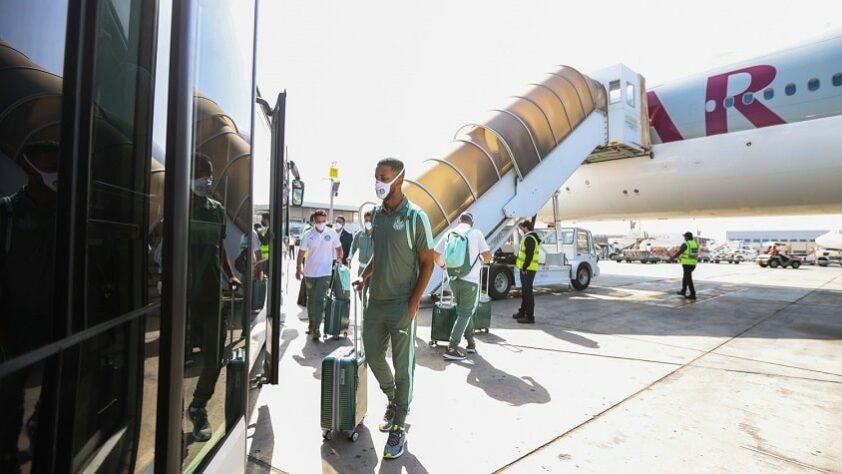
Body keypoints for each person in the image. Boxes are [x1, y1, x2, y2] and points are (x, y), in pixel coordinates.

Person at [352, 158, 435, 460]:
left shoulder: (416, 217)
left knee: (404, 367)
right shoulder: (376, 214)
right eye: (376, 177)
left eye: (383, 177)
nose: (378, 182)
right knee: (372, 356)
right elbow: (380, 253)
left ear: (400, 179)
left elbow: (427, 263)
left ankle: (399, 424)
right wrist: (364, 276)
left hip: (402, 304)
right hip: (376, 302)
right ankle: (392, 400)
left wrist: (413, 305)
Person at [0, 142, 58, 471]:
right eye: (48, 166)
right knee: (10, 394)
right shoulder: (7, 212)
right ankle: (7, 451)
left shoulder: (70, 212)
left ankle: (40, 429)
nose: (56, 174)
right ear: (27, 168)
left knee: (57, 386)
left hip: (56, 320)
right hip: (14, 323)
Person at [185, 155, 241, 442]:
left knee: (214, 358)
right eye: (200, 174)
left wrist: (230, 274)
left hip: (209, 294)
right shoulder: (175, 204)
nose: (206, 179)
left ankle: (198, 406)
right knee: (178, 359)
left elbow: (219, 247)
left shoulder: (216, 210)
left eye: (209, 174)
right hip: (179, 298)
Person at [434, 212, 492, 360]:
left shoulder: (450, 233)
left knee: (464, 312)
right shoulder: (476, 233)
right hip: (470, 281)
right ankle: (452, 348)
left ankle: (471, 343)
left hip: (453, 279)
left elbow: (435, 255)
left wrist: (443, 266)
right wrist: (481, 260)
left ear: (459, 221)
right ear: (472, 223)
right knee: (465, 313)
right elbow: (488, 256)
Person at [296, 209, 343, 341]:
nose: (321, 224)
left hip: (325, 272)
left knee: (320, 298)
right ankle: (311, 324)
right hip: (309, 272)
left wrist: (339, 258)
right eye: (318, 221)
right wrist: (298, 268)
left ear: (326, 220)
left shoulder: (332, 234)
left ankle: (317, 327)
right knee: (310, 299)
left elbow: (339, 249)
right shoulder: (308, 235)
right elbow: (300, 253)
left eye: (323, 221)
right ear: (314, 222)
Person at [513, 220, 541, 324]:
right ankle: (522, 312)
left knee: (528, 292)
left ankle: (529, 316)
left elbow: (529, 255)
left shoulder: (529, 238)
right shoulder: (530, 237)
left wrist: (524, 267)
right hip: (527, 269)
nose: (520, 230)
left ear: (525, 227)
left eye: (521, 228)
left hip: (527, 270)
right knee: (525, 292)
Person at [671, 231, 698, 300]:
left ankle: (693, 294)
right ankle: (683, 290)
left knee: (688, 279)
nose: (684, 238)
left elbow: (679, 252)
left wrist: (672, 258)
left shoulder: (686, 244)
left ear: (687, 237)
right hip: (693, 263)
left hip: (687, 263)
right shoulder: (695, 243)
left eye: (685, 237)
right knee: (685, 277)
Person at [348, 211, 374, 276]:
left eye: (369, 220)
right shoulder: (359, 234)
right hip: (361, 269)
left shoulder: (378, 234)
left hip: (374, 268)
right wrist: (350, 257)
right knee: (360, 286)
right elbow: (353, 246)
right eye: (366, 220)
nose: (368, 222)